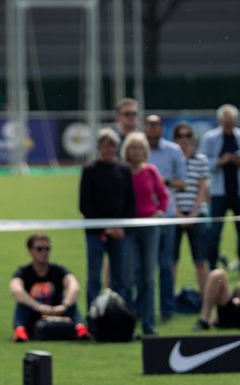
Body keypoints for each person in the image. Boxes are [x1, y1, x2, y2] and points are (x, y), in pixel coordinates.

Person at [123, 131, 172, 337]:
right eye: (132, 148)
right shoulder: (122, 172)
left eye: (139, 148)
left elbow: (163, 195)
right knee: (130, 276)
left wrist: (159, 211)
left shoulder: (151, 171)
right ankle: (129, 323)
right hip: (128, 228)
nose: (136, 152)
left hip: (150, 227)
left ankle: (149, 323)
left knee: (148, 277)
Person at [200, 106, 240, 274]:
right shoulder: (210, 138)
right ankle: (211, 266)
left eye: (231, 121)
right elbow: (203, 162)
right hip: (219, 192)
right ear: (220, 121)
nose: (228, 124)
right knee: (214, 232)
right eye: (226, 121)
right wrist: (221, 161)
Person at [81, 129, 134, 310]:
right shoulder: (89, 170)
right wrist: (105, 227)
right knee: (94, 277)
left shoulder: (124, 170)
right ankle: (93, 314)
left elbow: (130, 202)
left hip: (120, 233)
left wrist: (121, 228)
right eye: (105, 147)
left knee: (120, 278)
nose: (109, 150)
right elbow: (84, 205)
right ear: (99, 148)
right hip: (95, 233)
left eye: (112, 147)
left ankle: (120, 314)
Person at [145, 114, 189, 319]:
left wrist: (162, 183)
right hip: (143, 216)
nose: (153, 129)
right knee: (141, 267)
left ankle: (167, 308)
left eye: (156, 125)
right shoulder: (137, 150)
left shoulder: (173, 150)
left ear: (162, 128)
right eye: (149, 125)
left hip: (167, 215)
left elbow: (183, 182)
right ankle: (141, 309)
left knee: (165, 265)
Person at [11, 234, 80, 342]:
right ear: (30, 251)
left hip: (56, 310)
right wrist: (37, 306)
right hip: (35, 312)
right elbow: (16, 290)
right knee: (22, 303)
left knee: (71, 301)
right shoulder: (23, 272)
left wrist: (64, 305)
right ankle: (20, 331)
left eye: (47, 249)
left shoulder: (58, 270)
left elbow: (74, 286)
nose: (44, 252)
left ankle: (80, 328)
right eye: (39, 249)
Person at [172, 123, 214, 300]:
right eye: (180, 136)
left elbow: (203, 188)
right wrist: (178, 214)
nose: (184, 140)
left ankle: (205, 299)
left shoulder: (201, 159)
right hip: (174, 215)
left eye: (188, 135)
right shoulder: (171, 159)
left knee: (200, 260)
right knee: (171, 261)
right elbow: (167, 189)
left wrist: (194, 213)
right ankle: (169, 299)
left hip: (197, 214)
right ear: (175, 139)